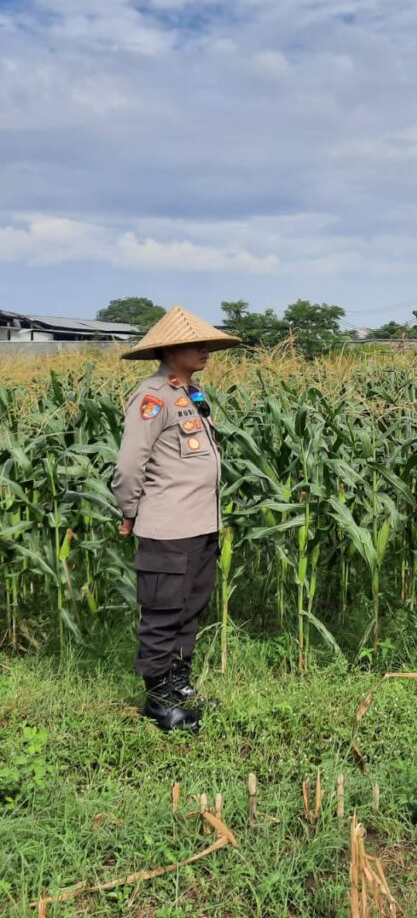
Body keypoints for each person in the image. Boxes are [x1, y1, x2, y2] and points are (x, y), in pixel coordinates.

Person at [112, 306, 240, 733]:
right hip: (168, 527)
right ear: (169, 350)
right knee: (163, 613)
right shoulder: (153, 397)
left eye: (206, 343)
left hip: (201, 525)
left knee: (189, 611)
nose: (206, 350)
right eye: (196, 344)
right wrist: (129, 510)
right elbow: (130, 464)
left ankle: (178, 687)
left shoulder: (192, 393)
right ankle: (158, 702)